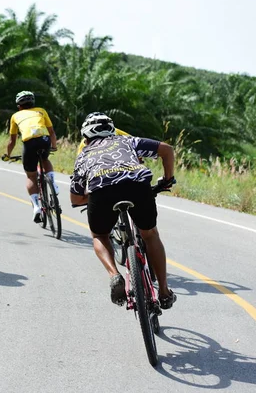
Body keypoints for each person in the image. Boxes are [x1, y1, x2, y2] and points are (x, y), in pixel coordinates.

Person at [69, 112, 177, 309]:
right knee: (150, 234)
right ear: (112, 129)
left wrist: (92, 197)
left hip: (102, 191)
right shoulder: (127, 141)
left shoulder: (83, 154)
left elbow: (75, 198)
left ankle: (114, 275)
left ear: (86, 137)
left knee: (99, 236)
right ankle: (163, 291)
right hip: (137, 186)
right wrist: (168, 178)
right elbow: (167, 150)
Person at [2, 91, 59, 223]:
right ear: (33, 103)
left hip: (29, 143)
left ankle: (36, 207)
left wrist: (7, 155)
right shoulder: (41, 111)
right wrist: (54, 146)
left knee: (31, 176)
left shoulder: (15, 116)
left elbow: (12, 141)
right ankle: (53, 183)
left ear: (19, 106)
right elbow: (51, 132)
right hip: (44, 140)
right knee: (45, 159)